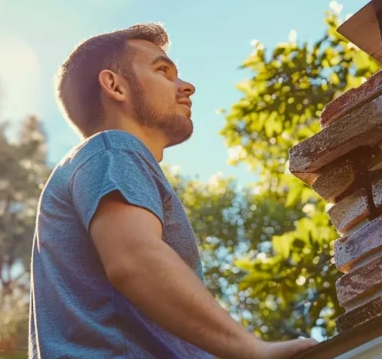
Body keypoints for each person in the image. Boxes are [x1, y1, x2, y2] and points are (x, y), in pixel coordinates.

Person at [27, 23, 319, 359]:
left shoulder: (94, 161)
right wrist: (252, 350)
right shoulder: (113, 147)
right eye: (163, 72)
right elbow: (134, 261)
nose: (187, 87)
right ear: (114, 86)